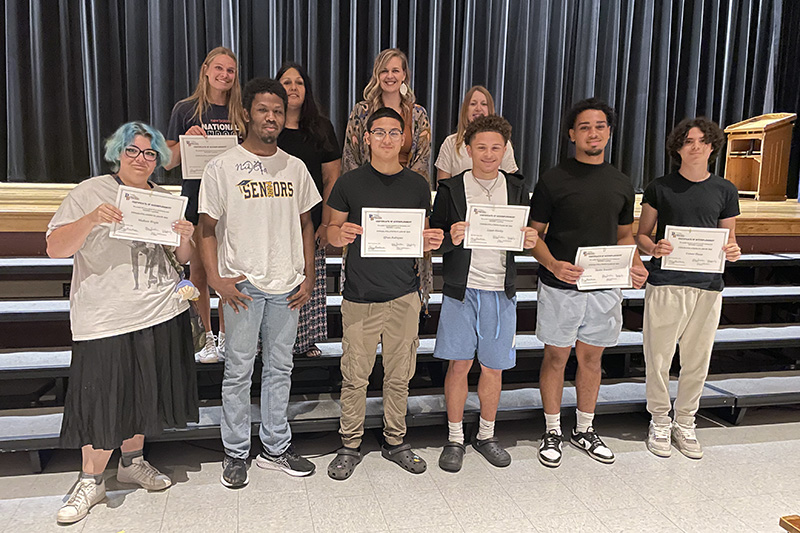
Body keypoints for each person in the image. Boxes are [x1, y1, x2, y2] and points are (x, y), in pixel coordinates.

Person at [47, 122, 198, 524]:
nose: (141, 159)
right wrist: (92, 219)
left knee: (143, 393)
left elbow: (181, 259)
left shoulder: (162, 199)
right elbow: (54, 248)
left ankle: (131, 461)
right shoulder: (90, 192)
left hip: (157, 310)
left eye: (150, 154)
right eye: (133, 151)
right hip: (104, 316)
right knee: (101, 400)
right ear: (118, 152)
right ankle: (90, 480)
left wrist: (186, 235)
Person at [197, 77, 320, 488]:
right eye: (264, 109)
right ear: (247, 113)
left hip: (287, 283)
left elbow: (307, 222)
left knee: (280, 369)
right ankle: (235, 452)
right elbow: (207, 228)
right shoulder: (222, 167)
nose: (271, 117)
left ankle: (275, 448)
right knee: (238, 371)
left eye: (278, 111)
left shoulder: (295, 167)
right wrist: (216, 279)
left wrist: (309, 272)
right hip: (243, 285)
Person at [528, 98, 648, 468]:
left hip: (603, 288)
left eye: (599, 126)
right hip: (560, 286)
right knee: (556, 357)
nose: (592, 133)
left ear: (609, 133)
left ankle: (584, 428)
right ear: (571, 135)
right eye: (584, 127)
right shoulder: (553, 179)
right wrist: (553, 264)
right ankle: (552, 430)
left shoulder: (622, 183)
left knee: (592, 359)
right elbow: (533, 236)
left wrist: (636, 264)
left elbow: (625, 235)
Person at [326, 107, 444, 480]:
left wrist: (432, 241)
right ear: (367, 138)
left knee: (399, 375)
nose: (388, 139)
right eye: (380, 133)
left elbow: (424, 239)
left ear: (404, 139)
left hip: (404, 295)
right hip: (360, 295)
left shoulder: (417, 185)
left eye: (395, 133)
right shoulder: (350, 182)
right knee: (355, 376)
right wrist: (338, 235)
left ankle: (396, 440)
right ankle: (350, 443)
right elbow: (330, 231)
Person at [431, 115, 538, 472]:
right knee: (459, 364)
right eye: (481, 147)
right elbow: (434, 240)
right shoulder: (450, 189)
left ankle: (487, 434)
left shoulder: (519, 188)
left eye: (495, 147)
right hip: (462, 289)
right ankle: (455, 437)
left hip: (501, 289)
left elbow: (526, 237)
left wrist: (530, 239)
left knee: (493, 367)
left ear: (505, 150)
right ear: (467, 149)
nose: (488, 154)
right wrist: (451, 236)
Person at [636, 118, 741, 459]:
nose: (694, 146)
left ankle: (685, 420)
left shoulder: (725, 190)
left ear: (712, 147)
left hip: (708, 285)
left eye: (701, 141)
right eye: (687, 141)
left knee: (697, 359)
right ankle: (659, 419)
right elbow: (642, 235)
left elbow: (730, 241)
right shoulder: (660, 187)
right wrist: (653, 249)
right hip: (667, 282)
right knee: (659, 357)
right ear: (677, 148)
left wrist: (733, 251)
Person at [165, 47, 247, 363]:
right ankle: (206, 339)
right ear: (206, 70)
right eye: (219, 68)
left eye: (231, 70)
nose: (225, 75)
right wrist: (187, 140)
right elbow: (168, 161)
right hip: (197, 201)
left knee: (229, 272)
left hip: (233, 204)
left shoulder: (242, 112)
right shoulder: (185, 110)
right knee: (198, 272)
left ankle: (228, 337)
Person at [276, 62, 341, 358]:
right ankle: (272, 339)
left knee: (307, 282)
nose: (292, 87)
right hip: (272, 221)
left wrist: (326, 222)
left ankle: (304, 341)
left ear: (307, 89)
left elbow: (331, 179)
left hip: (309, 221)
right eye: (286, 82)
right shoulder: (266, 128)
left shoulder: (321, 128)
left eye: (298, 82)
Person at [341, 48, 431, 182]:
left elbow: (422, 160)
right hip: (366, 187)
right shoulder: (361, 112)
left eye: (395, 71)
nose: (390, 76)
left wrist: (407, 187)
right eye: (384, 71)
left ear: (404, 75)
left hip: (407, 189)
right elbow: (351, 157)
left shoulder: (418, 115)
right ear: (377, 75)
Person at [435, 85, 518, 182]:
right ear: (465, 109)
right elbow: (442, 184)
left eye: (484, 104)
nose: (478, 108)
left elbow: (511, 182)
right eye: (473, 104)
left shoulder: (504, 143)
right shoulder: (450, 142)